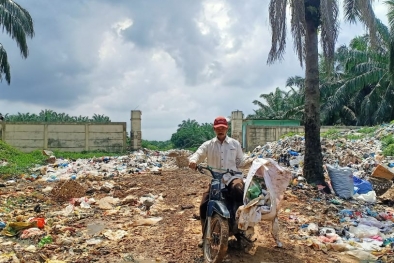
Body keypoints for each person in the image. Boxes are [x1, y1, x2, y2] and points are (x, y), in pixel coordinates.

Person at [188, 116, 249, 247]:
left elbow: (240, 161)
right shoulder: (208, 145)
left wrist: (251, 161)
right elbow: (198, 153)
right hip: (215, 179)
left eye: (222, 128)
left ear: (226, 128)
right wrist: (193, 161)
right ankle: (205, 236)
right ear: (214, 129)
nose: (220, 130)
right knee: (204, 204)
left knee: (239, 190)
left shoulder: (235, 144)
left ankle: (241, 229)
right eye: (218, 128)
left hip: (232, 177)